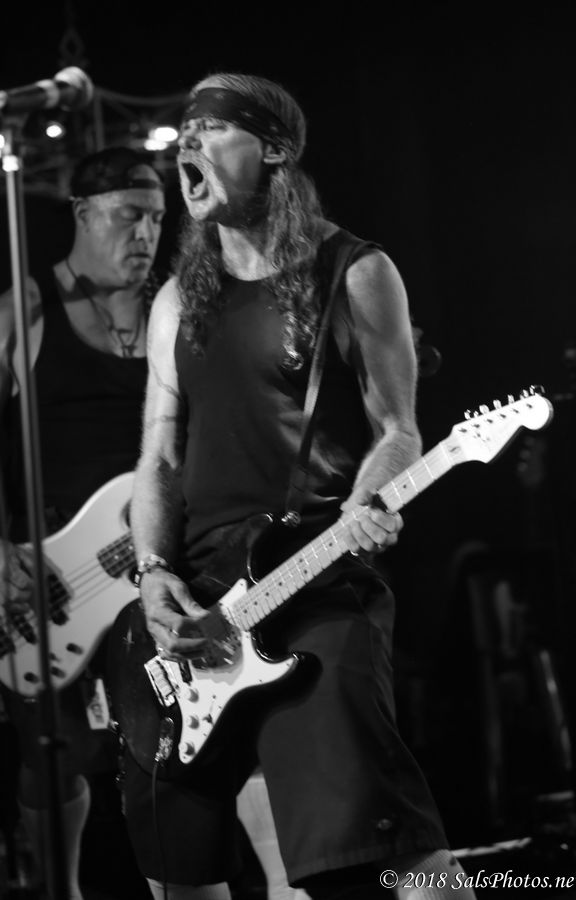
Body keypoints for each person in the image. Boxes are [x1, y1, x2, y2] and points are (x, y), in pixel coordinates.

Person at [121, 72, 478, 900]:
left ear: (276, 148)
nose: (189, 142)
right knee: (180, 875)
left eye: (213, 127)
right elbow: (158, 456)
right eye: (184, 131)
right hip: (198, 609)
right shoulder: (176, 300)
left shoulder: (354, 270)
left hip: (315, 583)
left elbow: (398, 429)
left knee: (378, 860)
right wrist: (153, 572)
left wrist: (366, 502)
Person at [0, 145, 166, 900]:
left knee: (176, 739)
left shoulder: (173, 310)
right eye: (129, 216)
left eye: (157, 220)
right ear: (82, 214)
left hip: (153, 559)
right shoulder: (25, 311)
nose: (146, 235)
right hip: (52, 573)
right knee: (54, 750)